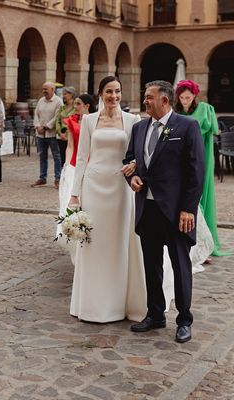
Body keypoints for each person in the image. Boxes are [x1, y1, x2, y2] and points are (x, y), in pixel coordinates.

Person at [125, 80, 205, 344]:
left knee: (181, 266)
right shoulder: (138, 128)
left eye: (149, 97)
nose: (145, 101)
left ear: (165, 101)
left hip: (175, 211)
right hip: (146, 208)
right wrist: (133, 178)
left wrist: (188, 210)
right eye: (145, 97)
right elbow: (130, 160)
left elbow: (196, 172)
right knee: (151, 264)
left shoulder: (187, 126)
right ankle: (155, 314)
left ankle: (184, 320)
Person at [68, 76, 150, 323]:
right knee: (95, 243)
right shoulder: (90, 120)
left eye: (117, 91)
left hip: (121, 187)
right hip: (94, 186)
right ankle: (93, 304)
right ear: (101, 94)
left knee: (120, 241)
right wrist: (75, 193)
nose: (113, 96)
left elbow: (142, 152)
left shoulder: (133, 120)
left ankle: (121, 303)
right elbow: (82, 158)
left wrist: (135, 164)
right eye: (108, 92)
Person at [174, 79, 228, 257]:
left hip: (200, 156)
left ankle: (204, 245)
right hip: (180, 159)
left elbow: (214, 131)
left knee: (200, 194)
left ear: (194, 96)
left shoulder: (205, 109)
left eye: (188, 97)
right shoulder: (176, 112)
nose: (185, 100)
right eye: (182, 97)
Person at [55, 93, 96, 264]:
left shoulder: (95, 121)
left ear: (87, 106)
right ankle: (74, 239)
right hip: (74, 165)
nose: (75, 106)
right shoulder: (71, 121)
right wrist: (67, 165)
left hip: (91, 165)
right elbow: (70, 146)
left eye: (78, 103)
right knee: (70, 203)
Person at [32, 82, 63, 188]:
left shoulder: (58, 101)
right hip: (40, 134)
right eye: (43, 89)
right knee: (42, 156)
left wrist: (46, 127)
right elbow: (36, 114)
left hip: (52, 134)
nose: (44, 91)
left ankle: (58, 179)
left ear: (53, 89)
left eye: (46, 89)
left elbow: (57, 117)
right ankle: (42, 178)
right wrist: (37, 126)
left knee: (57, 157)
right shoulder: (41, 100)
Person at [55, 86, 76, 168]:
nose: (63, 96)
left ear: (71, 95)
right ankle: (63, 177)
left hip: (71, 137)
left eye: (65, 94)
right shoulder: (62, 107)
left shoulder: (76, 108)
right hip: (61, 137)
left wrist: (67, 134)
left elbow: (75, 122)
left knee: (70, 159)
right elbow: (58, 121)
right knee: (61, 159)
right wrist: (60, 133)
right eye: (63, 94)